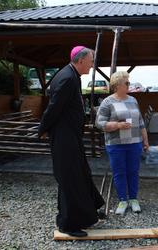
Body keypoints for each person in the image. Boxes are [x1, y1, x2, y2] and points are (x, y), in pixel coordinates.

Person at [37, 46, 105, 237]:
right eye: (91, 61)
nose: (92, 66)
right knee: (69, 179)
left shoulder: (70, 75)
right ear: (80, 61)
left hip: (70, 136)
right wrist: (43, 129)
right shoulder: (67, 78)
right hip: (65, 137)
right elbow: (53, 108)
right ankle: (68, 224)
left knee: (80, 174)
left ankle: (87, 212)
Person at [96, 71, 149, 215]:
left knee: (133, 172)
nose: (129, 84)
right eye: (126, 83)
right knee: (119, 172)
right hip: (115, 144)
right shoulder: (107, 102)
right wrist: (117, 125)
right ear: (116, 85)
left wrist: (145, 140)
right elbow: (99, 123)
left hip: (134, 143)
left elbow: (140, 121)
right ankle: (122, 200)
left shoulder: (133, 100)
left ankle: (133, 199)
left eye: (128, 82)